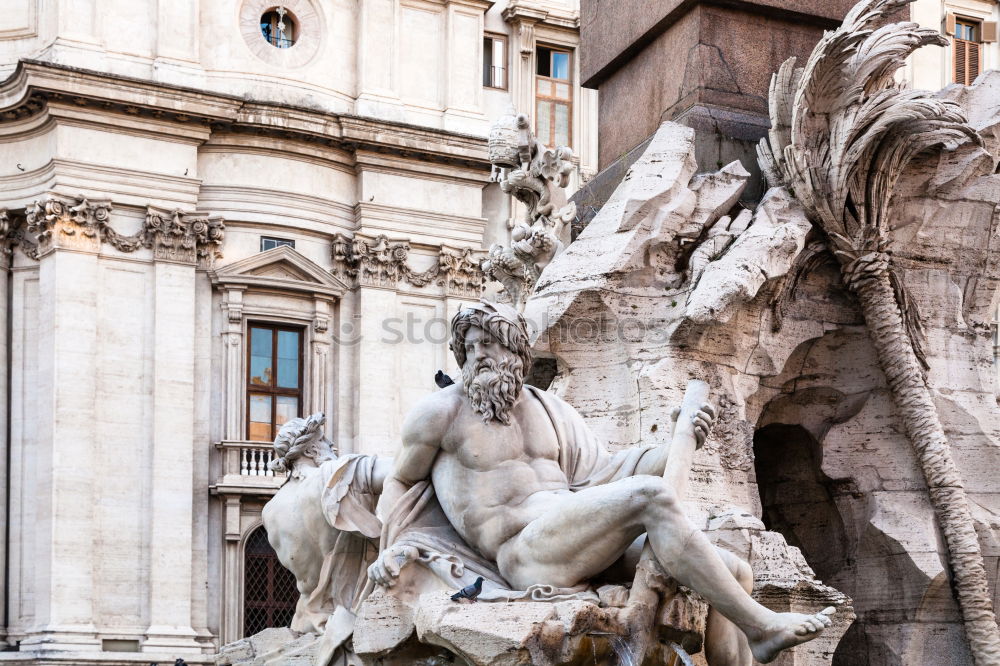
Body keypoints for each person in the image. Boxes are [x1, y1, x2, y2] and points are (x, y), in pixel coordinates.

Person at [369, 301, 833, 664]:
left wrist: (678, 443)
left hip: (574, 533)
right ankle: (762, 627)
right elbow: (401, 484)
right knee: (650, 497)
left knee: (733, 569)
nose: (479, 357)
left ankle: (749, 643)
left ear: (517, 353)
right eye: (469, 347)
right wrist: (393, 550)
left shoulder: (548, 409)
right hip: (522, 553)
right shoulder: (440, 413)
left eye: (491, 345)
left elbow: (606, 474)